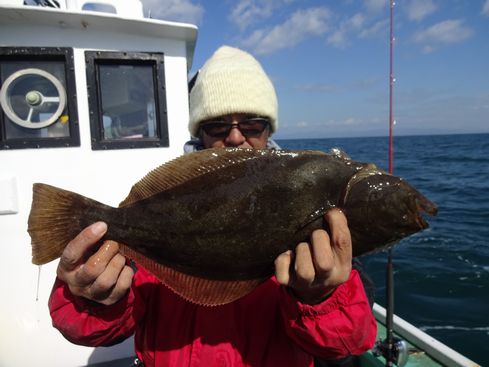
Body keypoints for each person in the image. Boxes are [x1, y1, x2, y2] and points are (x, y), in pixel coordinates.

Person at [49, 46, 377, 367]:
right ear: (199, 133)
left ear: (269, 130)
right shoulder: (170, 206)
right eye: (217, 126)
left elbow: (345, 343)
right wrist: (90, 296)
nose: (235, 138)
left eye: (252, 125)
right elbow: (92, 329)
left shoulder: (310, 208)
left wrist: (320, 297)